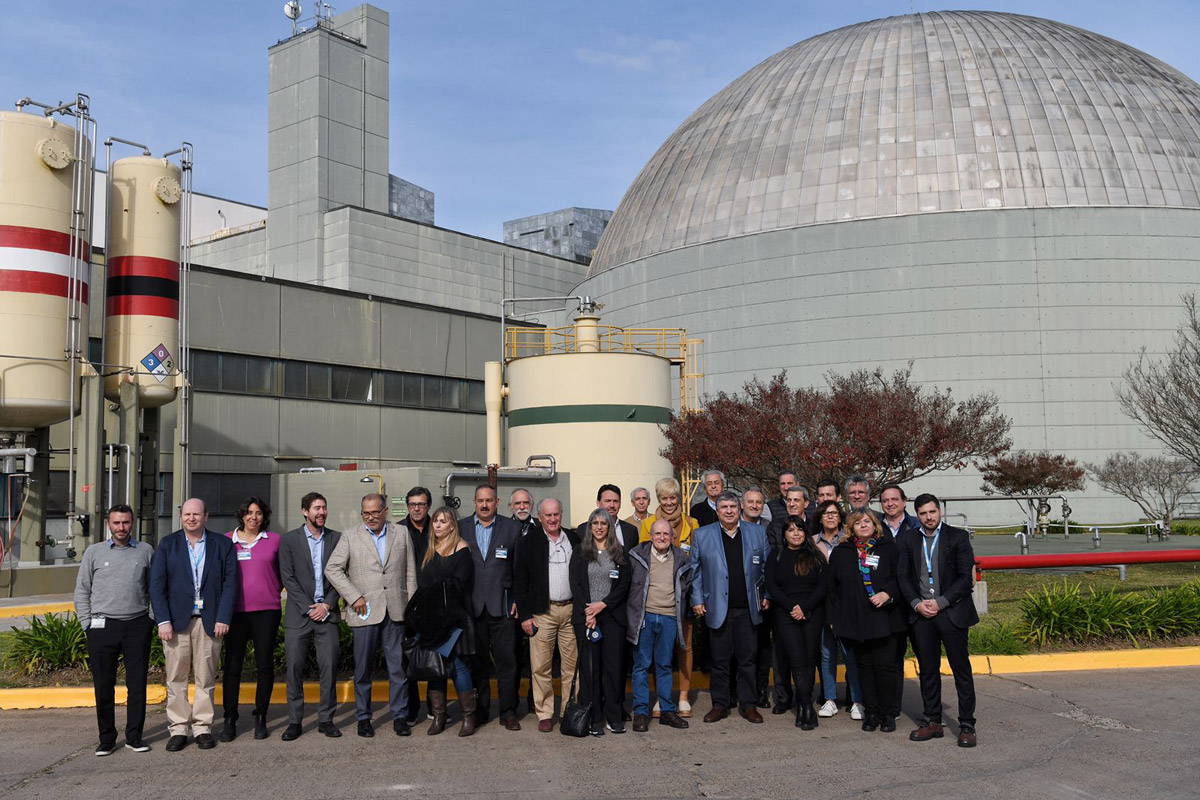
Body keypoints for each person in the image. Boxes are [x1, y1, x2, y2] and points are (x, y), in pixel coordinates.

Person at [324, 492, 418, 738]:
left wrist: (411, 607)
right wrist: (353, 596)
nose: (370, 517)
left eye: (375, 512)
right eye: (366, 513)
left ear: (385, 511)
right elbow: (332, 569)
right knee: (363, 669)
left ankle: (400, 716)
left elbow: (410, 573)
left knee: (398, 669)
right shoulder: (350, 535)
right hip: (364, 611)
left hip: (396, 611)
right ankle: (363, 718)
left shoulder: (401, 533)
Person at [149, 498, 238, 752]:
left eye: (196, 514)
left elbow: (230, 584)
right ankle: (178, 729)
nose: (191, 518)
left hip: (209, 622)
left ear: (206, 516)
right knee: (175, 677)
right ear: (181, 517)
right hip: (176, 623)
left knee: (205, 677)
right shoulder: (168, 545)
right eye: (187, 514)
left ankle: (202, 727)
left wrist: (223, 617)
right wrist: (162, 620)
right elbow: (157, 586)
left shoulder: (223, 545)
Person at [897, 493, 980, 748]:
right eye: (923, 513)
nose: (928, 517)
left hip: (951, 612)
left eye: (932, 512)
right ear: (917, 515)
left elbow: (966, 579)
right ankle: (932, 720)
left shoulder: (958, 537)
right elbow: (903, 576)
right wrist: (917, 603)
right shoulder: (909, 538)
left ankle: (967, 724)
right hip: (921, 614)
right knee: (928, 670)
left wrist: (941, 602)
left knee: (961, 670)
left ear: (939, 511)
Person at [74, 504, 155, 756]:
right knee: (103, 684)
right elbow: (82, 590)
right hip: (102, 627)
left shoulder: (145, 551)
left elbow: (154, 587)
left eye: (126, 523)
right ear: (109, 524)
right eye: (117, 523)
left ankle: (134, 736)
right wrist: (86, 623)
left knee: (137, 684)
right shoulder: (94, 552)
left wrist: (150, 619)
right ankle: (107, 738)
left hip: (137, 625)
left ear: (133, 523)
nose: (121, 528)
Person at [690, 491, 770, 724]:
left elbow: (766, 566)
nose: (728, 511)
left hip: (748, 608)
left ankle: (748, 705)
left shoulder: (757, 533)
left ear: (740, 509)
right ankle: (720, 704)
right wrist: (697, 599)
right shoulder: (702, 535)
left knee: (748, 660)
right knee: (720, 661)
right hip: (717, 608)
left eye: (732, 507)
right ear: (717, 510)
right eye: (723, 507)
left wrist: (767, 594)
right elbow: (695, 572)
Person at [827, 511, 905, 733]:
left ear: (875, 525)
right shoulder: (841, 552)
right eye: (858, 523)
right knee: (864, 668)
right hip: (856, 620)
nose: (863, 525)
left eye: (867, 522)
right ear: (850, 528)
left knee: (885, 667)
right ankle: (871, 713)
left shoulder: (888, 548)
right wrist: (833, 619)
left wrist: (887, 594)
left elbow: (901, 578)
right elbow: (832, 589)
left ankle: (888, 714)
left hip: (884, 618)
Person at [408, 507, 477, 736]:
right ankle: (438, 717)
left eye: (443, 521)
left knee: (458, 667)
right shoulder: (429, 550)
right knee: (435, 667)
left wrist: (435, 594)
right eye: (435, 521)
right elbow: (422, 584)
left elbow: (459, 584)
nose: (437, 525)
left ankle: (468, 717)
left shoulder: (462, 549)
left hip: (454, 619)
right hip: (431, 621)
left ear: (452, 525)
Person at [278, 491, 342, 740]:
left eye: (324, 508)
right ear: (305, 511)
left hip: (327, 615)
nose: (321, 512)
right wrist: (309, 606)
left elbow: (341, 577)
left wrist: (326, 605)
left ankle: (326, 719)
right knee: (294, 669)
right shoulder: (289, 540)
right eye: (316, 508)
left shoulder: (336, 539)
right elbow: (288, 578)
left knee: (329, 669)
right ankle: (295, 721)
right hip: (299, 616)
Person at [458, 483, 522, 730]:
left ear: (497, 502)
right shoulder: (461, 527)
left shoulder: (511, 527)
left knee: (508, 663)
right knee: (479, 664)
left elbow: (519, 568)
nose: (484, 505)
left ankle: (508, 712)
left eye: (489, 500)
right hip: (473, 607)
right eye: (480, 501)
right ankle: (482, 711)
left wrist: (516, 598)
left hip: (503, 606)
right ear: (474, 503)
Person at [514, 497, 580, 732]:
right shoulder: (529, 541)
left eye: (556, 514)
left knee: (571, 666)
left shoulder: (573, 538)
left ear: (561, 515)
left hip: (571, 610)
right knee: (541, 666)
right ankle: (544, 713)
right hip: (543, 612)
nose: (552, 519)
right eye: (548, 515)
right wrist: (525, 615)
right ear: (539, 517)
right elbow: (520, 580)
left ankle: (568, 710)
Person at [221, 497, 283, 742]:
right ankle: (229, 718)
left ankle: (261, 716)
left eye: (258, 513)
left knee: (264, 665)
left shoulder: (275, 540)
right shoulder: (227, 541)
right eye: (248, 512)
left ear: (264, 516)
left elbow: (282, 573)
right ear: (241, 515)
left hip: (267, 610)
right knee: (232, 667)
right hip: (234, 613)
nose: (253, 517)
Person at [637, 476, 701, 717]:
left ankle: (683, 696)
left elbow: (695, 560)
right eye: (664, 498)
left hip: (682, 596)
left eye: (673, 497)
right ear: (658, 499)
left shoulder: (691, 523)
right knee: (656, 651)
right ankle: (659, 698)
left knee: (684, 646)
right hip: (656, 598)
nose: (669, 502)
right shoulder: (648, 524)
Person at [569, 509, 631, 735]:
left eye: (603, 523)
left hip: (612, 618)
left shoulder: (620, 553)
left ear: (609, 527)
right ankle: (594, 718)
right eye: (594, 522)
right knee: (590, 670)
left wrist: (602, 605)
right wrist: (589, 610)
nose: (598, 527)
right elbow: (575, 584)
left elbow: (624, 584)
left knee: (613, 669)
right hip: (586, 619)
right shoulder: (580, 552)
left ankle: (614, 716)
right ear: (589, 526)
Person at [627, 519, 692, 732]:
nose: (662, 537)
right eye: (658, 534)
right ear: (651, 536)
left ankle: (667, 711)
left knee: (664, 665)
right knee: (641, 666)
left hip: (669, 617)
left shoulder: (682, 559)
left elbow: (689, 587)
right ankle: (642, 712)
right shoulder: (636, 556)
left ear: (672, 537)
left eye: (666, 534)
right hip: (644, 618)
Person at [765, 515, 827, 730]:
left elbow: (823, 585)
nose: (796, 533)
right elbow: (772, 585)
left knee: (809, 661)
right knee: (797, 661)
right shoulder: (776, 556)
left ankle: (803, 704)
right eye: (790, 530)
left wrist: (805, 607)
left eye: (799, 529)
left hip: (812, 613)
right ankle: (807, 706)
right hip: (786, 614)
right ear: (784, 535)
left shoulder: (816, 556)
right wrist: (792, 607)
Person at [811, 499, 864, 720]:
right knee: (827, 654)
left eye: (834, 513)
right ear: (820, 518)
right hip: (822, 605)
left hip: (848, 605)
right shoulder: (812, 542)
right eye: (825, 514)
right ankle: (830, 699)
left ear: (840, 517)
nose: (830, 517)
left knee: (850, 655)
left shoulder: (850, 541)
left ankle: (856, 700)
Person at [879, 483, 920, 721]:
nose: (890, 503)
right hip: (889, 604)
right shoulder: (875, 527)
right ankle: (892, 709)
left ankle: (931, 711)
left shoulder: (916, 525)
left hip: (915, 602)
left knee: (924, 657)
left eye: (895, 499)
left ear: (904, 501)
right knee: (892, 658)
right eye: (886, 500)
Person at [401, 486, 433, 724]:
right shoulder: (398, 530)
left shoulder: (440, 526)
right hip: (407, 604)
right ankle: (412, 709)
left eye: (420, 504)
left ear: (428, 505)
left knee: (436, 657)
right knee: (407, 660)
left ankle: (435, 707)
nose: (416, 508)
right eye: (412, 504)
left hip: (434, 603)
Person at [578, 484, 639, 554]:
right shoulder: (583, 529)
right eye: (608, 501)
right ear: (598, 503)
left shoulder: (631, 530)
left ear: (620, 504)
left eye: (615, 501)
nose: (612, 505)